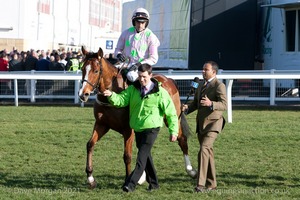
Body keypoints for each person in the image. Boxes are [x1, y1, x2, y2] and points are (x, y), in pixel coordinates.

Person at [103, 63, 178, 192]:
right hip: (137, 128)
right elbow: (122, 100)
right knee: (146, 156)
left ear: (151, 75)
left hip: (152, 128)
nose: (141, 79)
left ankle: (130, 184)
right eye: (139, 77)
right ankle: (154, 184)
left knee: (141, 158)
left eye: (144, 77)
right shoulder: (133, 89)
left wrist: (173, 131)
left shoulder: (160, 93)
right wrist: (111, 96)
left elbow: (171, 112)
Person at [181, 61, 227, 193]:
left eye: (206, 70)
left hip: (214, 124)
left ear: (214, 72)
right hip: (201, 125)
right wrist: (187, 108)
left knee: (204, 149)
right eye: (202, 69)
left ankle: (200, 185)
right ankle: (211, 184)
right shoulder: (201, 84)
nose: (203, 71)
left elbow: (224, 105)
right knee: (208, 153)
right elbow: (196, 103)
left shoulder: (219, 86)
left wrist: (211, 103)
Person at [114, 7, 160, 83]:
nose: (140, 25)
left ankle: (138, 94)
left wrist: (139, 64)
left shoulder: (151, 36)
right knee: (109, 71)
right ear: (134, 22)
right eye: (138, 22)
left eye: (143, 23)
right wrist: (119, 55)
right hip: (125, 64)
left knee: (131, 75)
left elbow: (154, 58)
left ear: (146, 23)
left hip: (142, 67)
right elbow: (117, 50)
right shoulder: (126, 33)